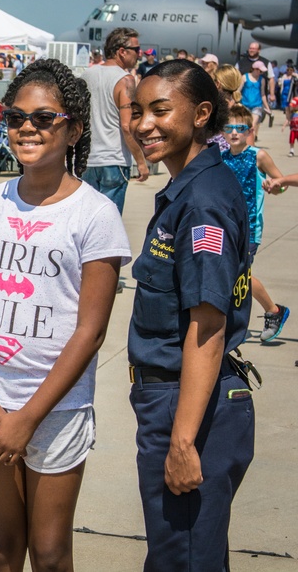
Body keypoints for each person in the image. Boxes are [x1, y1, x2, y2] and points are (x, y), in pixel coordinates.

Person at [0, 58, 131, 571]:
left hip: (56, 410)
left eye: (44, 117)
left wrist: (28, 419)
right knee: (2, 551)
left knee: (50, 554)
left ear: (74, 128)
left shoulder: (95, 214)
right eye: (15, 117)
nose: (27, 127)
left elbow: (91, 331)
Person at [127, 59, 254, 571]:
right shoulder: (189, 188)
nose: (143, 125)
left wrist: (181, 441)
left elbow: (208, 327)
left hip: (190, 408)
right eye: (137, 112)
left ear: (202, 114)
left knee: (182, 561)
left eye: (161, 110)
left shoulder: (201, 201)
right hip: (178, 400)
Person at [220, 105, 289, 342]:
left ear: (250, 130)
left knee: (240, 275)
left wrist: (274, 186)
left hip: (249, 228)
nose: (234, 133)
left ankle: (273, 310)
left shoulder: (257, 155)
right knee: (228, 273)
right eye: (229, 128)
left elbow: (281, 184)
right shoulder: (221, 158)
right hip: (224, 225)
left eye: (240, 128)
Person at [81, 27, 149, 214]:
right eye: (136, 49)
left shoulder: (87, 75)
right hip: (114, 158)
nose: (139, 54)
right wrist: (140, 161)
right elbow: (127, 126)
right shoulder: (125, 80)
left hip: (89, 159)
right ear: (122, 51)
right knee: (109, 222)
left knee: (88, 219)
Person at [240, 60, 270, 144]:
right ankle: (245, 142)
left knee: (252, 125)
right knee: (245, 124)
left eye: (262, 71)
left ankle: (251, 144)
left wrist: (267, 108)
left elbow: (263, 94)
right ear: (254, 69)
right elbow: (239, 91)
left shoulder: (262, 80)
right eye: (260, 71)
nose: (260, 73)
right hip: (245, 104)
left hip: (257, 105)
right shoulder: (244, 77)